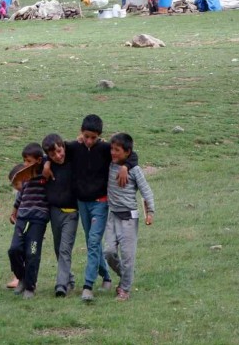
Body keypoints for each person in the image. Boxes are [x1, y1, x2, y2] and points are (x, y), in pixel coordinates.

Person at [46, 114, 137, 302]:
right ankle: (107, 275)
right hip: (81, 203)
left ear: (100, 136)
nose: (89, 141)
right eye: (86, 136)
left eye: (93, 137)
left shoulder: (105, 149)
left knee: (94, 242)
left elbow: (132, 154)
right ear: (81, 133)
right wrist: (47, 163)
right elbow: (51, 147)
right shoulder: (72, 148)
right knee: (90, 242)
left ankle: (88, 286)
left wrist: (126, 166)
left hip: (100, 202)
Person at [104, 133, 155, 301]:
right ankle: (126, 274)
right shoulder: (110, 164)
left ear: (127, 152)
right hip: (112, 216)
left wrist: (150, 212)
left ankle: (124, 289)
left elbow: (146, 191)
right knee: (109, 252)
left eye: (117, 150)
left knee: (127, 256)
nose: (113, 153)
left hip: (129, 219)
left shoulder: (134, 169)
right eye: (112, 149)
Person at [7, 143, 49, 299]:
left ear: (38, 160)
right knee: (14, 250)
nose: (24, 164)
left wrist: (46, 164)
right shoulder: (24, 177)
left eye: (28, 161)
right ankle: (22, 279)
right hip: (22, 219)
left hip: (38, 221)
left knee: (32, 252)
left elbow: (49, 158)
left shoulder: (46, 173)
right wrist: (14, 212)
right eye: (23, 160)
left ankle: (30, 287)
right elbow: (21, 196)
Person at [42, 134, 78, 297]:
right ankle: (69, 279)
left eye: (59, 150)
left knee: (65, 249)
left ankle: (61, 285)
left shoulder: (73, 157)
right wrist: (46, 163)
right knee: (58, 248)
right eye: (52, 155)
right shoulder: (47, 163)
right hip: (55, 211)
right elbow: (37, 157)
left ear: (63, 146)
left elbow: (76, 144)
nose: (58, 156)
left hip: (72, 212)